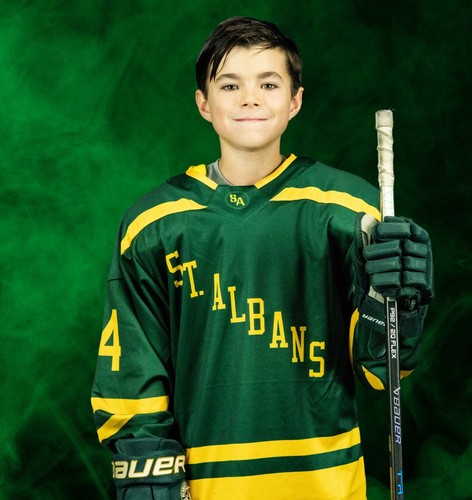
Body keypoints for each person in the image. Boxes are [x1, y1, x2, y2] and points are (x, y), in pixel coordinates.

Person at [91, 16, 433, 500]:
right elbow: (131, 367)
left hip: (327, 486)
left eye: (268, 84)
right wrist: (147, 467)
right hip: (207, 486)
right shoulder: (154, 223)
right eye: (230, 85)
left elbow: (383, 371)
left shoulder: (351, 211)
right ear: (203, 103)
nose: (250, 98)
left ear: (295, 100)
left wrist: (403, 304)